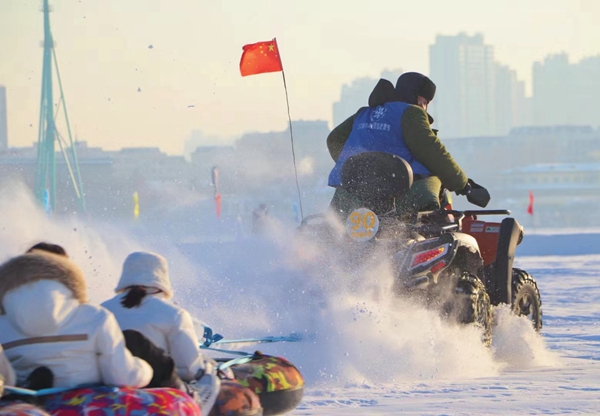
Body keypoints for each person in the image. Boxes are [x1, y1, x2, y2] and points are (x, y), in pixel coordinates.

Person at [327, 72, 475, 218]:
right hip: (396, 198)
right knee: (434, 179)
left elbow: (334, 139)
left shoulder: (365, 113)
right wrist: (462, 184)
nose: (425, 107)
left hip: (351, 194)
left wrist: (355, 167)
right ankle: (432, 228)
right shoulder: (411, 113)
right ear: (418, 98)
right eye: (426, 102)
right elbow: (432, 152)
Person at [0, 251, 153, 389]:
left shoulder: (3, 323)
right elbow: (121, 376)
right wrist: (144, 369)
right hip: (84, 403)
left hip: (24, 404)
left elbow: (5, 379)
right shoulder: (94, 316)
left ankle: (34, 391)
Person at [101, 251, 215, 384]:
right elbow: (190, 371)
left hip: (108, 394)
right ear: (161, 277)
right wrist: (208, 368)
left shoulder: (100, 311)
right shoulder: (175, 315)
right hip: (157, 396)